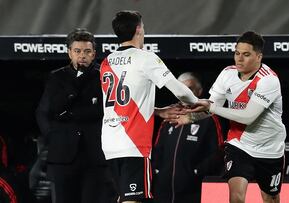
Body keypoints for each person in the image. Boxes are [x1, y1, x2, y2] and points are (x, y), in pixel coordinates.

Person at [170, 31, 286, 203]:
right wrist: (192, 118)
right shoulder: (227, 74)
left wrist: (212, 107)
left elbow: (248, 117)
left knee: (271, 198)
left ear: (259, 56)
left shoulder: (268, 80)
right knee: (236, 197)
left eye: (246, 55)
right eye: (237, 53)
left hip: (270, 148)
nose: (239, 59)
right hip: (239, 144)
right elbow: (210, 105)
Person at [100, 10, 199, 203]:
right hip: (133, 144)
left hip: (110, 143)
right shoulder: (145, 58)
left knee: (123, 198)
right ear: (138, 29)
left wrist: (158, 111)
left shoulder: (106, 62)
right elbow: (180, 91)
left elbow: (122, 103)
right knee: (133, 200)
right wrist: (198, 104)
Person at [36, 28, 114, 203]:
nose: (82, 56)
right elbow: (43, 112)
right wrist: (52, 136)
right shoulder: (56, 77)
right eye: (77, 51)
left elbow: (105, 111)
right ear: (69, 53)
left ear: (94, 54)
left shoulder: (104, 76)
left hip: (95, 156)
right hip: (62, 156)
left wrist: (68, 114)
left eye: (87, 51)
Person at [151, 72, 225, 203]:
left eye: (189, 88)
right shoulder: (169, 115)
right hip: (163, 188)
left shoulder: (209, 118)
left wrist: (197, 171)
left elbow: (218, 151)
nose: (184, 92)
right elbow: (157, 149)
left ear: (199, 91)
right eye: (181, 88)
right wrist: (158, 171)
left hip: (193, 188)